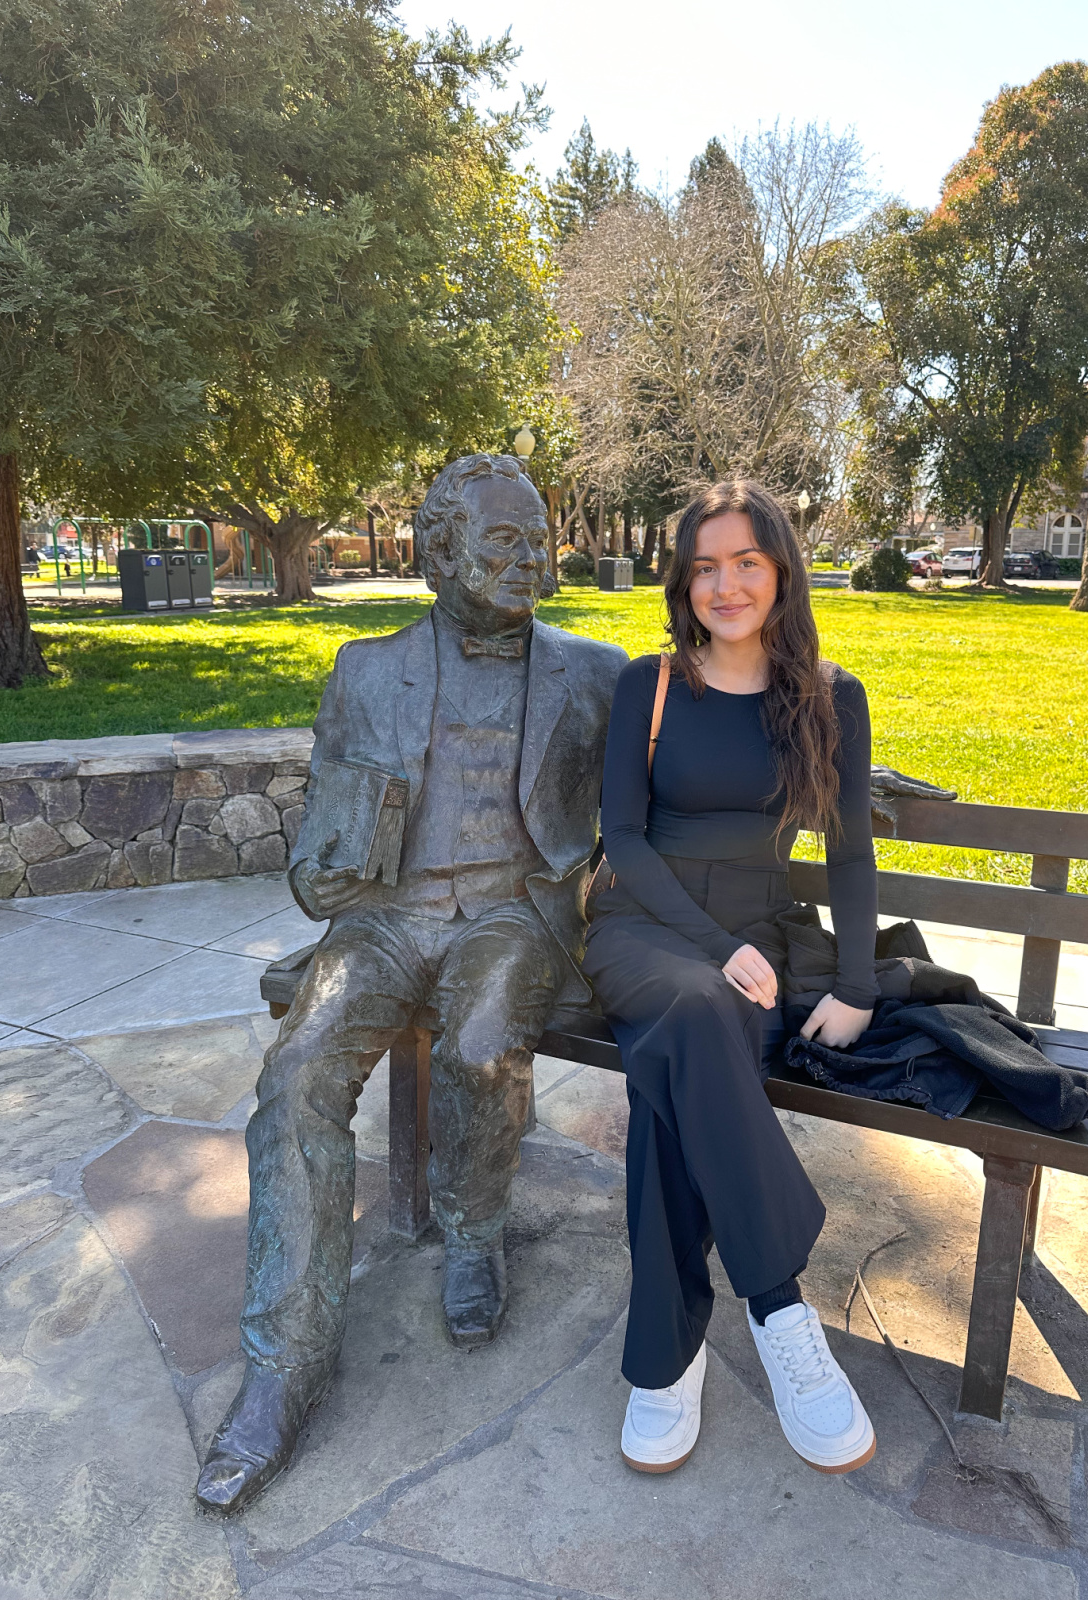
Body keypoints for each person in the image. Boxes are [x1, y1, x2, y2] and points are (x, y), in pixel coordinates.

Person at [195, 454, 626, 1514]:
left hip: (514, 913)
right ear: (440, 552)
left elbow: (697, 757)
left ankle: (473, 1235)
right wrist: (324, 871)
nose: (530, 560)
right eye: (503, 540)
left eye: (539, 541)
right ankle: (282, 1368)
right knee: (297, 1071)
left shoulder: (597, 672)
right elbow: (318, 852)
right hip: (385, 920)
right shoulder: (364, 671)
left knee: (481, 1045)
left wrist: (832, 770)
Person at [582, 479, 878, 1477]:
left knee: (676, 1079)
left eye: (747, 561)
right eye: (705, 566)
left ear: (782, 571)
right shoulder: (651, 685)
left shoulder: (831, 698)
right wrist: (712, 944)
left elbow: (850, 852)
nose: (726, 585)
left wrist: (859, 983)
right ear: (683, 582)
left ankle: (666, 1360)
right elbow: (624, 838)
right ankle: (779, 1304)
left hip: (760, 931)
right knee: (700, 1006)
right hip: (646, 923)